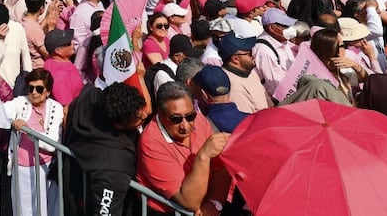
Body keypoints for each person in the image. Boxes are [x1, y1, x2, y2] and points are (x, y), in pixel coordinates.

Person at [135, 81, 230, 214]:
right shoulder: (151, 143)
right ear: (160, 116)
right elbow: (189, 202)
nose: (185, 126)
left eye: (190, 116)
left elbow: (221, 169)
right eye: (175, 119)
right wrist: (203, 157)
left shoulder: (199, 120)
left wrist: (214, 205)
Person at [63, 82, 146, 216]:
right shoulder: (112, 168)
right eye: (137, 118)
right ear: (119, 125)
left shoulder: (88, 98)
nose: (144, 115)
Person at [4, 68, 64, 216]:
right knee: (25, 211)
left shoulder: (56, 108)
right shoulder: (21, 102)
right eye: (31, 88)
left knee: (47, 211)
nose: (34, 92)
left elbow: (52, 143)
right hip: (23, 169)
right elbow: (2, 111)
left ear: (48, 91)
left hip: (47, 168)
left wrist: (28, 130)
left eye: (39, 88)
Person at [218, 34, 271, 114]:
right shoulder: (233, 86)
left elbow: (267, 101)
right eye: (249, 53)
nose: (253, 55)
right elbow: (249, 120)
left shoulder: (249, 71)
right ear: (235, 59)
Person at [252, 8, 296, 97]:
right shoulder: (264, 50)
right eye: (286, 26)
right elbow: (275, 87)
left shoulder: (283, 41)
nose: (290, 29)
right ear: (272, 27)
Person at [43, 28, 84, 106]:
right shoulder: (59, 76)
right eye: (68, 43)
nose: (73, 43)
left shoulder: (51, 59)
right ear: (58, 51)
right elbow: (65, 107)